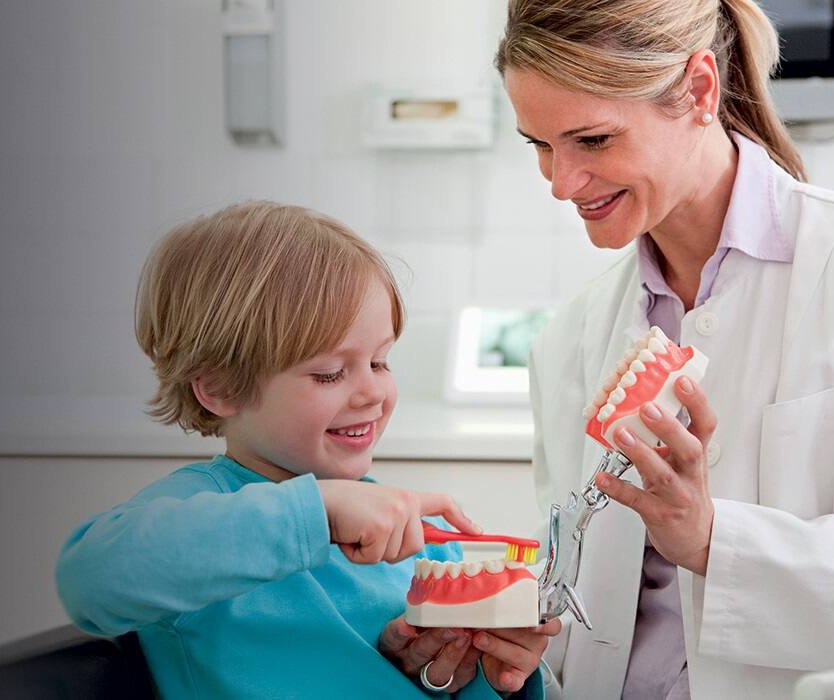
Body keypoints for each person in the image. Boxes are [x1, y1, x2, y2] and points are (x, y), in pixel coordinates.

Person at [494, 0, 834, 697]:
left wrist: (712, 541)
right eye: (539, 145)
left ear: (698, 90)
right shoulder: (568, 339)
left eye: (592, 140)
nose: (561, 184)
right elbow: (571, 615)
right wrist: (503, 646)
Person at [56, 201, 557, 697]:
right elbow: (89, 580)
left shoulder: (425, 542)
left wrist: (481, 680)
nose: (371, 393)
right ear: (220, 388)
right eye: (330, 373)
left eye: (380, 362)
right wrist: (318, 513)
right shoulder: (196, 517)